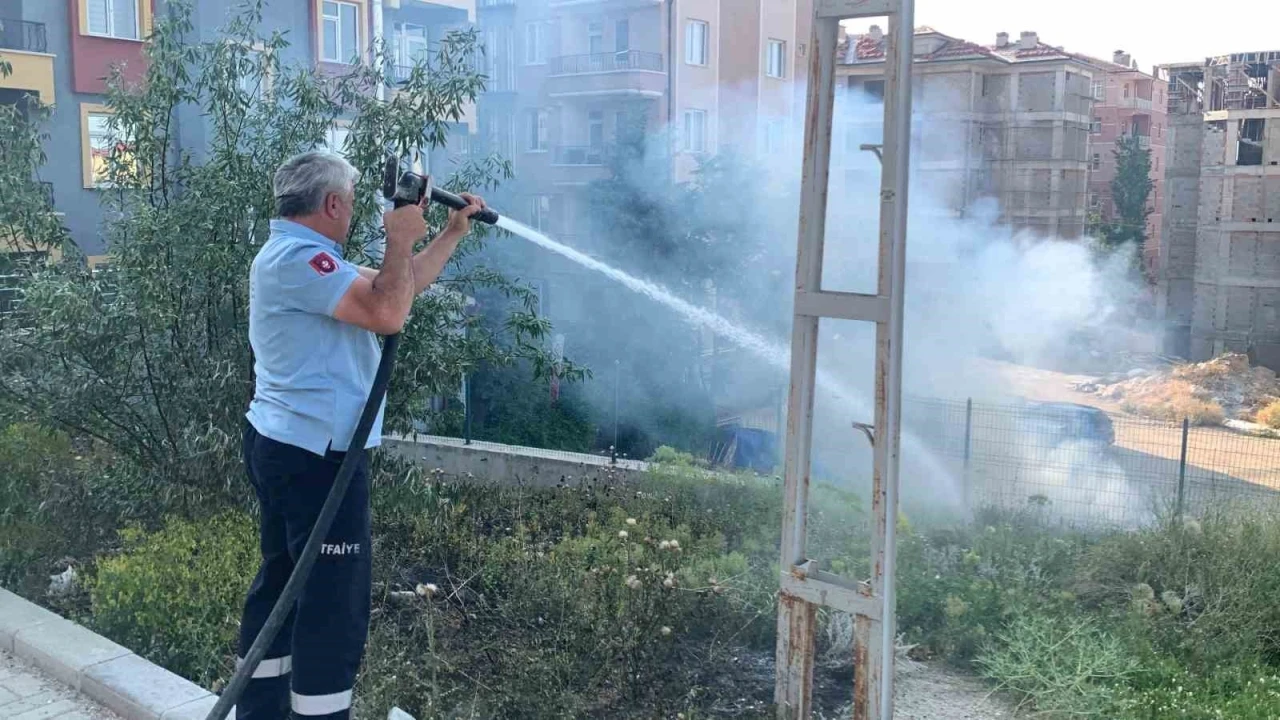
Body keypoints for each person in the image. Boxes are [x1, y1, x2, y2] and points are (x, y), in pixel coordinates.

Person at [236, 150, 485, 720]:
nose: (353, 213)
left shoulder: (303, 257)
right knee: (332, 604)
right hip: (316, 459)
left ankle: (261, 709)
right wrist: (398, 236)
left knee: (283, 583)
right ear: (331, 204)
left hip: (291, 446)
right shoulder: (300, 261)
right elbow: (389, 314)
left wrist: (449, 233)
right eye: (350, 203)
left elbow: (400, 288)